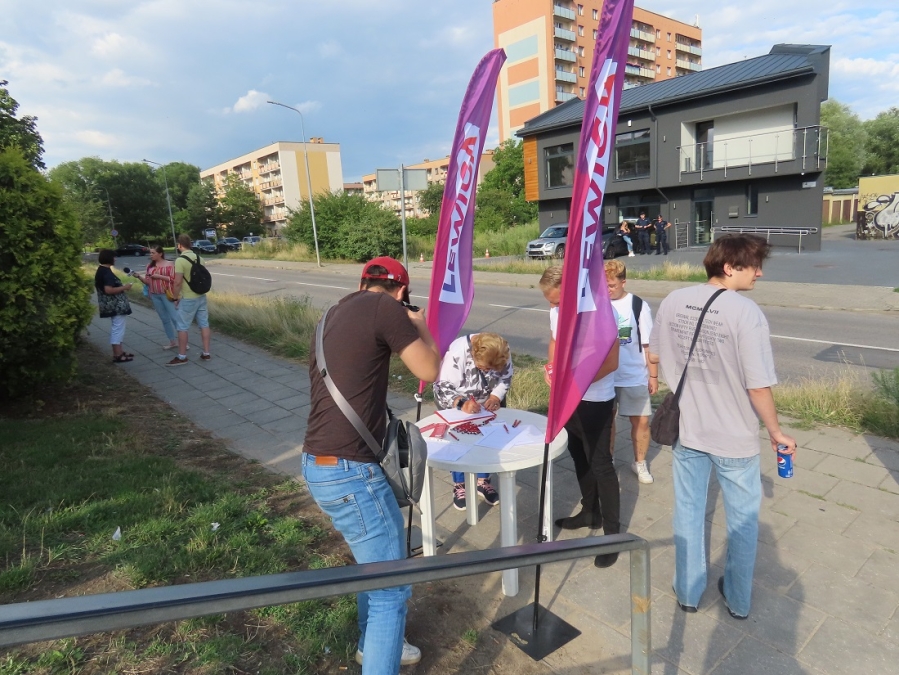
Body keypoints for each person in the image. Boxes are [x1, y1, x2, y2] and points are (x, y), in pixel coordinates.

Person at [302, 256, 440, 673]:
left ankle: (369, 643)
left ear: (362, 282)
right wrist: (421, 326)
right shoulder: (385, 307)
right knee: (390, 590)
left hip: (318, 462)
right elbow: (429, 369)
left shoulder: (331, 314)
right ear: (402, 291)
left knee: (375, 566)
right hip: (351, 472)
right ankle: (381, 651)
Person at [648, 234, 796, 619]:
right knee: (743, 522)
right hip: (734, 437)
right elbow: (758, 385)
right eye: (754, 266)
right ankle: (738, 600)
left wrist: (660, 377)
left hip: (688, 429)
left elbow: (654, 353)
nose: (760, 273)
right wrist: (776, 432)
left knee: (688, 510)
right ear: (729, 267)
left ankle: (688, 592)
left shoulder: (674, 299)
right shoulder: (746, 313)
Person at [539, 266, 622, 568]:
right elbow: (554, 341)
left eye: (557, 301)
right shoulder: (556, 311)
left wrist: (574, 383)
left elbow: (611, 362)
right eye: (550, 302)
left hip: (595, 400)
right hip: (568, 398)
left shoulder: (602, 313)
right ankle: (590, 512)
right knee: (577, 454)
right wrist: (552, 369)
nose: (553, 307)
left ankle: (613, 537)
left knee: (601, 464)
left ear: (572, 292)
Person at [433, 332, 513, 510]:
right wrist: (461, 403)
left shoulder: (502, 351)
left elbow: (506, 377)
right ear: (473, 354)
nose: (488, 371)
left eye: (492, 369)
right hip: (456, 401)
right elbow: (442, 386)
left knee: (488, 439)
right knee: (458, 441)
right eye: (485, 367)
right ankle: (460, 484)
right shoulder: (457, 351)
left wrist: (495, 396)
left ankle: (483, 480)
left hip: (486, 401)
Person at [604, 260, 656, 484]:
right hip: (605, 376)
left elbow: (648, 344)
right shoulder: (597, 304)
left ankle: (640, 463)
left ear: (623, 282)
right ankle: (608, 460)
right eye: (604, 285)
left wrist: (653, 375)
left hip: (633, 375)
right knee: (607, 422)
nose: (607, 290)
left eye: (612, 285)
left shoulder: (638, 305)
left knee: (641, 421)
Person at [167, 234, 211, 366]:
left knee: (182, 326)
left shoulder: (180, 260)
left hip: (188, 298)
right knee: (204, 324)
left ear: (179, 245)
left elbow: (177, 282)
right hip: (201, 296)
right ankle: (206, 353)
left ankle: (182, 356)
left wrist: (175, 297)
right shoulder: (199, 258)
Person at [132, 245, 180, 350]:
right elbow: (147, 282)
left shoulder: (169, 264)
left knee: (175, 318)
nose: (151, 255)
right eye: (150, 253)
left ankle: (183, 341)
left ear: (160, 254)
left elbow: (174, 280)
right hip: (155, 295)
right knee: (164, 319)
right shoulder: (150, 266)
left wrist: (159, 277)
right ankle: (172, 341)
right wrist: (139, 276)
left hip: (167, 294)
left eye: (153, 253)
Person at [94, 249, 134, 363]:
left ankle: (120, 351)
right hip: (115, 305)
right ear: (109, 258)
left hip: (110, 304)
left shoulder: (101, 270)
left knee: (118, 328)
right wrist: (125, 287)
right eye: (113, 257)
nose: (115, 259)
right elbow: (108, 289)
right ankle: (117, 354)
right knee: (118, 329)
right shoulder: (107, 273)